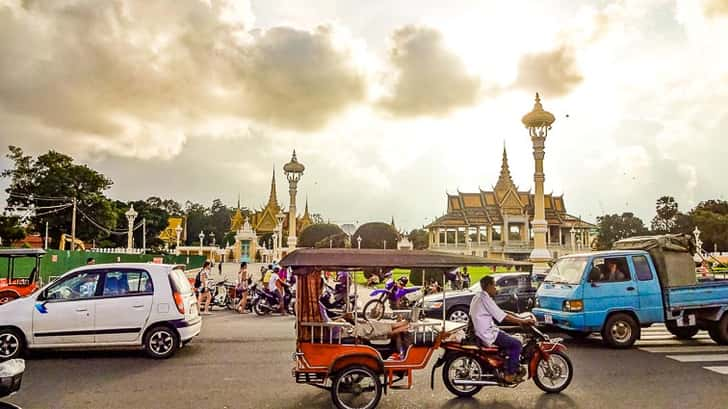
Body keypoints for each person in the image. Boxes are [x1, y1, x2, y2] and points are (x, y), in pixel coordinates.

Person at [469, 276, 536, 384]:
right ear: (489, 286)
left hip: (485, 331)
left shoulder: (479, 296)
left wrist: (518, 317)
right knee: (517, 344)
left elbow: (499, 311)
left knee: (510, 337)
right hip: (488, 333)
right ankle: (509, 374)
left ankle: (505, 363)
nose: (496, 288)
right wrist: (523, 321)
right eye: (495, 285)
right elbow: (503, 317)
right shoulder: (485, 298)